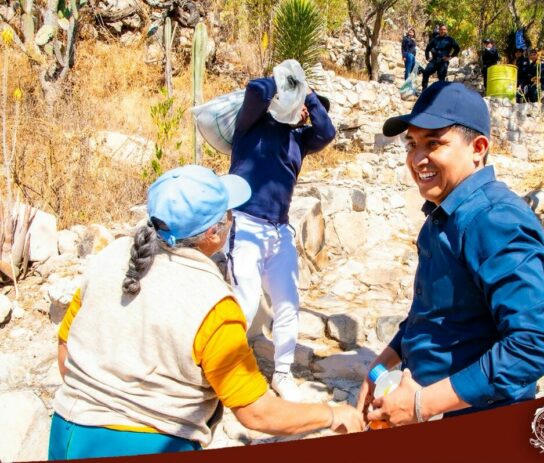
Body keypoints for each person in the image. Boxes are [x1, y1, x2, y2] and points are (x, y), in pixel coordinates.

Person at [48, 165, 363, 459]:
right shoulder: (213, 304)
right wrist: (333, 413)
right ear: (216, 233)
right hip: (149, 444)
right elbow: (256, 412)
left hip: (66, 431)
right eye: (229, 214)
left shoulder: (111, 256)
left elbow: (66, 351)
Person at [356, 82, 544, 426]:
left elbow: (535, 342)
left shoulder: (494, 218)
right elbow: (433, 314)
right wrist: (379, 367)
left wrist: (422, 405)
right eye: (412, 144)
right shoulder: (443, 216)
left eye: (434, 143)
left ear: (478, 148)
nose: (417, 158)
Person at [226, 75, 336, 402]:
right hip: (245, 224)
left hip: (279, 231)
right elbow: (255, 91)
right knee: (244, 303)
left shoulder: (300, 140)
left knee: (288, 303)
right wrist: (284, 82)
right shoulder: (250, 124)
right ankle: (222, 370)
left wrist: (310, 95)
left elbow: (327, 131)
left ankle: (283, 374)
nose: (305, 113)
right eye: (301, 105)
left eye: (308, 110)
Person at [422, 24, 460, 91]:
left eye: (444, 29)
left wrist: (450, 57)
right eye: (441, 29)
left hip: (443, 61)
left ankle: (440, 94)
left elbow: (457, 49)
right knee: (425, 72)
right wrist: (427, 58)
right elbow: (427, 49)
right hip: (434, 60)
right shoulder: (435, 39)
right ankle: (424, 90)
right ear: (439, 30)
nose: (442, 31)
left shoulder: (450, 39)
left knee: (441, 78)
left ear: (446, 30)